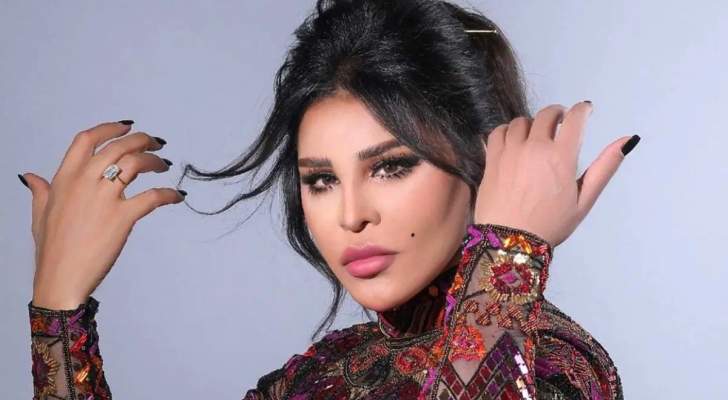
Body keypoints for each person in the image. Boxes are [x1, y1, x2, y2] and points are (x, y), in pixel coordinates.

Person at [18, 0, 640, 398]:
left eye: (391, 167)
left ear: (483, 165)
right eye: (320, 180)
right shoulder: (321, 375)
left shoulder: (555, 366)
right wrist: (58, 313)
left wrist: (508, 258)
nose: (350, 215)